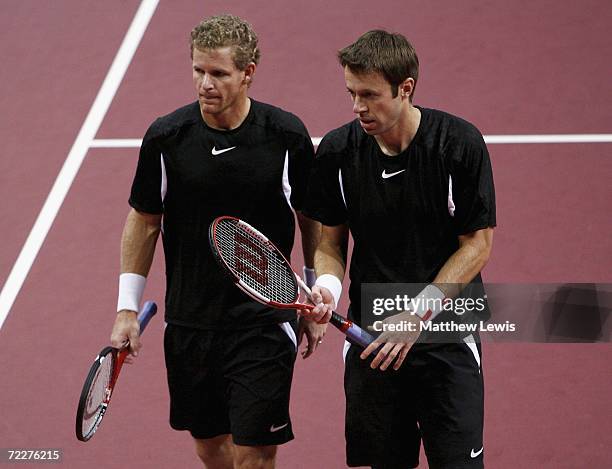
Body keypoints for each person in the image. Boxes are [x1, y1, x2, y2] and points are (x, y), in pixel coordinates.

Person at [109, 14, 324, 469]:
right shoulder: (167, 138)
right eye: (198, 70)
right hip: (190, 322)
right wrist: (127, 308)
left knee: (255, 455)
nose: (205, 83)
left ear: (248, 72)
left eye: (219, 73)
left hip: (264, 321)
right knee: (211, 447)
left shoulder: (285, 136)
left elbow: (312, 219)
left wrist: (311, 289)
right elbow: (144, 221)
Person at [304, 30, 496, 468]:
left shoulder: (458, 145)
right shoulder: (337, 151)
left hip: (446, 334)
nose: (357, 108)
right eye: (351, 93)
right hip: (372, 337)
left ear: (405, 88)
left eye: (369, 95)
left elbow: (478, 246)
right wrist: (329, 288)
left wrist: (417, 313)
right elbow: (331, 242)